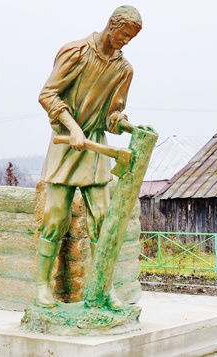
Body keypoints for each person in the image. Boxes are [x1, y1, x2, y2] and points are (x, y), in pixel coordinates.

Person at [35, 5, 142, 308]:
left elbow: (112, 115)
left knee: (104, 220)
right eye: (123, 35)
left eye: (130, 39)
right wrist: (72, 127)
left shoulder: (124, 69)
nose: (124, 42)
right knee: (55, 216)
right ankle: (42, 286)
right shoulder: (76, 52)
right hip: (66, 143)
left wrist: (126, 124)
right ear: (111, 25)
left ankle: (102, 290)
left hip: (95, 147)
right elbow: (48, 94)